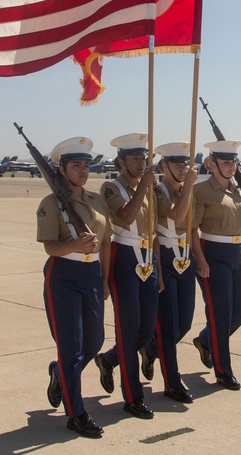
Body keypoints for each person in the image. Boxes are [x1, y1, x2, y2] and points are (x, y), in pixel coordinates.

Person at [37, 137, 111, 439]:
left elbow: (106, 241)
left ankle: (60, 373)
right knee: (72, 346)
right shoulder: (51, 203)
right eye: (75, 165)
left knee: (94, 342)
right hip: (63, 274)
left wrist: (104, 279)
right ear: (62, 170)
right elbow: (50, 247)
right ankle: (76, 412)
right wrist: (74, 245)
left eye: (85, 165)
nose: (82, 170)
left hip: (91, 273)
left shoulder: (96, 200)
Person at [190, 140, 241, 391]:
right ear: (212, 165)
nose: (231, 167)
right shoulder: (201, 191)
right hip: (213, 254)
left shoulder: (238, 190)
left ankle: (204, 341)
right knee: (220, 315)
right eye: (225, 162)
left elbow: (239, 226)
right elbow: (192, 229)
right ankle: (223, 371)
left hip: (238, 252)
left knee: (240, 313)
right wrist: (200, 260)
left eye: (233, 162)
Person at [93, 133, 158, 420]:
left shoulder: (150, 187)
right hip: (124, 258)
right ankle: (133, 396)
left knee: (146, 329)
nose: (141, 163)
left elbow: (153, 229)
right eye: (135, 159)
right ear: (121, 161)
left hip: (147, 258)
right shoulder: (112, 187)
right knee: (128, 329)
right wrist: (144, 187)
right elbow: (126, 216)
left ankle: (108, 360)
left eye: (144, 158)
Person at [142, 142, 200, 403]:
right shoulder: (158, 190)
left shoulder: (188, 190)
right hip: (164, 256)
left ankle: (147, 351)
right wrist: (189, 185)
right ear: (163, 166)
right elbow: (176, 217)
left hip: (184, 257)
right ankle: (172, 382)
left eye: (185, 163)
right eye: (176, 164)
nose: (182, 168)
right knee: (167, 326)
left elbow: (192, 227)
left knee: (184, 323)